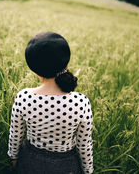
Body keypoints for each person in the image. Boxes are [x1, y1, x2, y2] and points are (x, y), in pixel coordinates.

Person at [8, 32, 94, 174]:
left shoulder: (23, 98)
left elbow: (15, 136)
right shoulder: (81, 102)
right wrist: (88, 171)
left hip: (29, 163)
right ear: (65, 63)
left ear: (35, 69)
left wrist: (14, 159)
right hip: (66, 167)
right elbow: (84, 145)